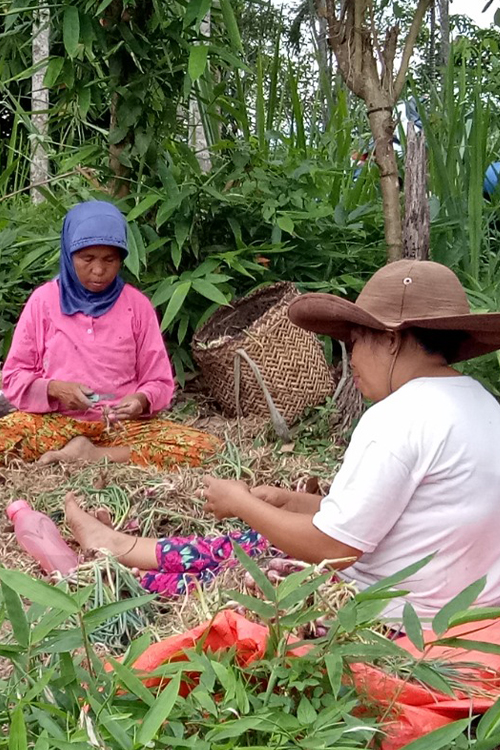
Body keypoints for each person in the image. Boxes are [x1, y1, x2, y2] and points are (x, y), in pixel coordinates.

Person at [65, 260, 500, 625]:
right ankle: (118, 545)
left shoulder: (398, 417)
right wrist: (294, 502)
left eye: (353, 342)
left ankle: (115, 562)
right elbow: (407, 517)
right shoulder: (483, 405)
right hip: (460, 605)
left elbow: (335, 548)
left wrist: (242, 503)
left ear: (389, 340)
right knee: (258, 539)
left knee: (240, 570)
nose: (350, 360)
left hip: (392, 613)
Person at [0, 201, 219, 469]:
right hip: (55, 422)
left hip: (119, 426)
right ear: (69, 255)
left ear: (121, 258)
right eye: (87, 259)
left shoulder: (136, 306)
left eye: (109, 259)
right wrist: (56, 389)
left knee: (207, 449)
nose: (99, 270)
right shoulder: (43, 302)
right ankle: (77, 446)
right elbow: (13, 378)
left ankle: (92, 454)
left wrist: (140, 401)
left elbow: (159, 381)